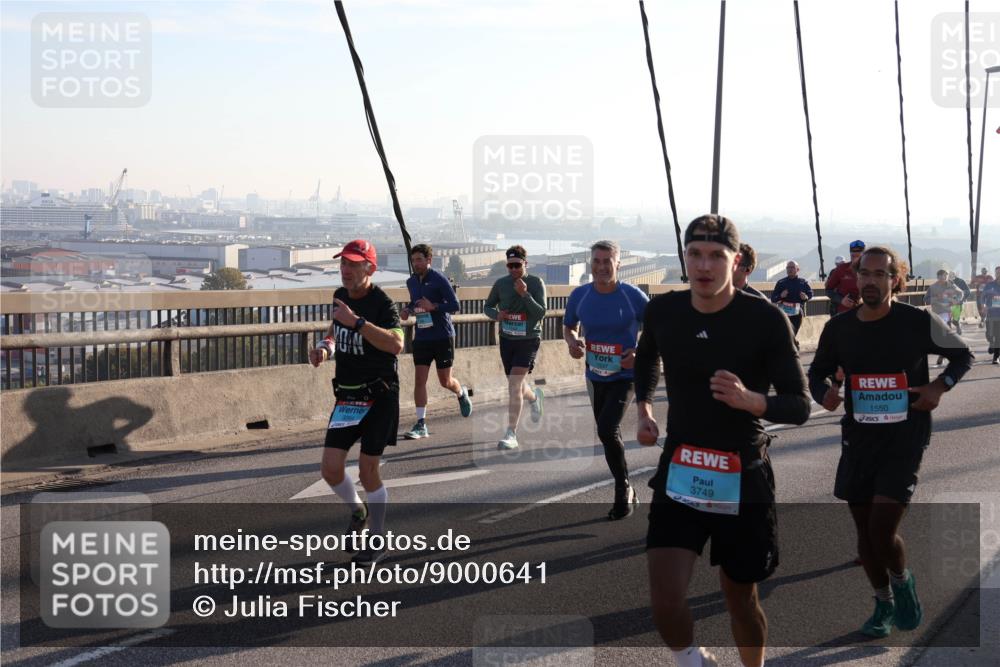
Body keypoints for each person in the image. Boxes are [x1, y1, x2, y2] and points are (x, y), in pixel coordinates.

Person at [635, 215, 811, 667]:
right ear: (685, 258)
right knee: (665, 599)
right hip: (683, 467)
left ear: (736, 262)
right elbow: (648, 356)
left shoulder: (765, 319)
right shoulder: (664, 311)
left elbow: (800, 405)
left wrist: (751, 400)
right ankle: (692, 661)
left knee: (741, 599)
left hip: (742, 472)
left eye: (717, 255)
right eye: (695, 253)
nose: (704, 265)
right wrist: (644, 409)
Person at [808, 246, 973, 638]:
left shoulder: (917, 320)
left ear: (895, 280)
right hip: (859, 438)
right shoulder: (840, 327)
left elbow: (962, 356)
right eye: (865, 273)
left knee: (882, 528)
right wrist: (824, 392)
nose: (870, 281)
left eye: (880, 274)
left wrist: (937, 387)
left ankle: (902, 583)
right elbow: (819, 371)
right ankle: (882, 603)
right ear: (857, 276)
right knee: (865, 534)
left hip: (905, 436)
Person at [309, 240, 404, 565]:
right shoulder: (340, 296)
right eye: (343, 264)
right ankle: (358, 511)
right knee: (330, 469)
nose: (346, 270)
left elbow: (396, 344)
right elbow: (335, 333)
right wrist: (324, 348)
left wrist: (359, 323)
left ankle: (377, 540)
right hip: (348, 396)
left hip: (379, 396)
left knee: (368, 471)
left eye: (353, 264)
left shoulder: (382, 303)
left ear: (370, 268)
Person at [564, 240, 649, 519]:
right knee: (608, 433)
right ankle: (626, 485)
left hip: (625, 375)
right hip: (595, 375)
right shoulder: (580, 295)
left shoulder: (632, 295)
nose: (601, 267)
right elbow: (569, 326)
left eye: (607, 261)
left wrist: (638, 352)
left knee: (606, 429)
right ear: (591, 264)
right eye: (596, 261)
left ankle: (622, 488)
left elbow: (657, 329)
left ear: (618, 264)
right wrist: (573, 341)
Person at [400, 244, 472, 439]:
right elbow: (415, 302)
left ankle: (461, 393)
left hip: (442, 336)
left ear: (429, 260)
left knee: (445, 381)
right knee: (419, 380)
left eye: (419, 260)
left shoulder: (438, 279)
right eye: (413, 260)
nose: (416, 263)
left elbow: (455, 305)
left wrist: (434, 306)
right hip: (422, 336)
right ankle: (421, 423)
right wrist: (407, 310)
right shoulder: (411, 282)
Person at [484, 245, 546, 450]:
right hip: (507, 339)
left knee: (513, 385)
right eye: (509, 266)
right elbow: (488, 306)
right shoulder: (501, 284)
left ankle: (511, 433)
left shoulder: (536, 283)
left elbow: (540, 314)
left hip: (528, 339)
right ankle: (534, 397)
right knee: (516, 385)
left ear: (525, 264)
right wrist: (497, 315)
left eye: (517, 265)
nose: (513, 270)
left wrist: (525, 294)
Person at [925, 270, 964, 364]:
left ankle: (944, 355)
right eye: (942, 276)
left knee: (945, 334)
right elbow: (926, 300)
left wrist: (956, 301)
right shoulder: (933, 287)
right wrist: (936, 298)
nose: (944, 278)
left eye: (946, 276)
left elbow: (961, 293)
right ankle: (945, 353)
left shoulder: (951, 285)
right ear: (938, 277)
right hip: (936, 313)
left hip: (947, 312)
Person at [770, 260, 813, 344]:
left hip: (797, 314)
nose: (789, 269)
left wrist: (806, 297)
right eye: (788, 267)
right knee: (786, 334)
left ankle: (792, 346)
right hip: (784, 314)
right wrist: (781, 296)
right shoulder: (781, 283)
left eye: (792, 267)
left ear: (798, 269)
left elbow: (810, 294)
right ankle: (793, 346)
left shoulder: (803, 282)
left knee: (792, 334)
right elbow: (773, 299)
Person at [826, 240, 865, 314]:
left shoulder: (871, 270)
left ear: (864, 255)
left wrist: (864, 300)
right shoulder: (841, 269)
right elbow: (828, 290)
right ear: (850, 254)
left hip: (864, 314)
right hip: (843, 314)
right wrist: (841, 300)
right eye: (853, 256)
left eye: (858, 256)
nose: (855, 259)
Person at [982, 266, 1000, 364]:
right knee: (989, 334)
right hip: (991, 314)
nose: (999, 274)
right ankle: (991, 343)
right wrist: (984, 305)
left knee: (998, 336)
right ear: (995, 273)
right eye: (997, 272)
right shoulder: (989, 285)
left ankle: (996, 357)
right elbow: (983, 297)